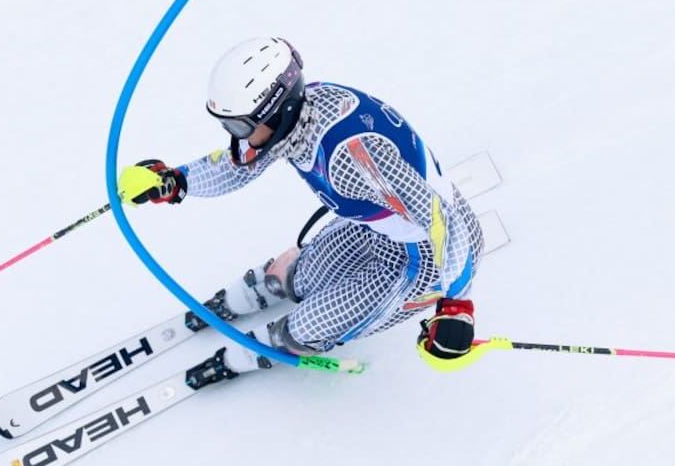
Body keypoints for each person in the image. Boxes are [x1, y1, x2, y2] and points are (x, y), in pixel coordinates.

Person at [119, 37, 487, 382]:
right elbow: (237, 165)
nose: (238, 136)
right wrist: (175, 181)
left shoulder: (351, 156)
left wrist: (457, 305)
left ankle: (280, 343)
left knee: (309, 325)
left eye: (240, 125)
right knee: (300, 278)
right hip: (375, 228)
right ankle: (275, 288)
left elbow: (442, 219)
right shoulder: (299, 116)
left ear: (276, 110)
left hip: (427, 259)